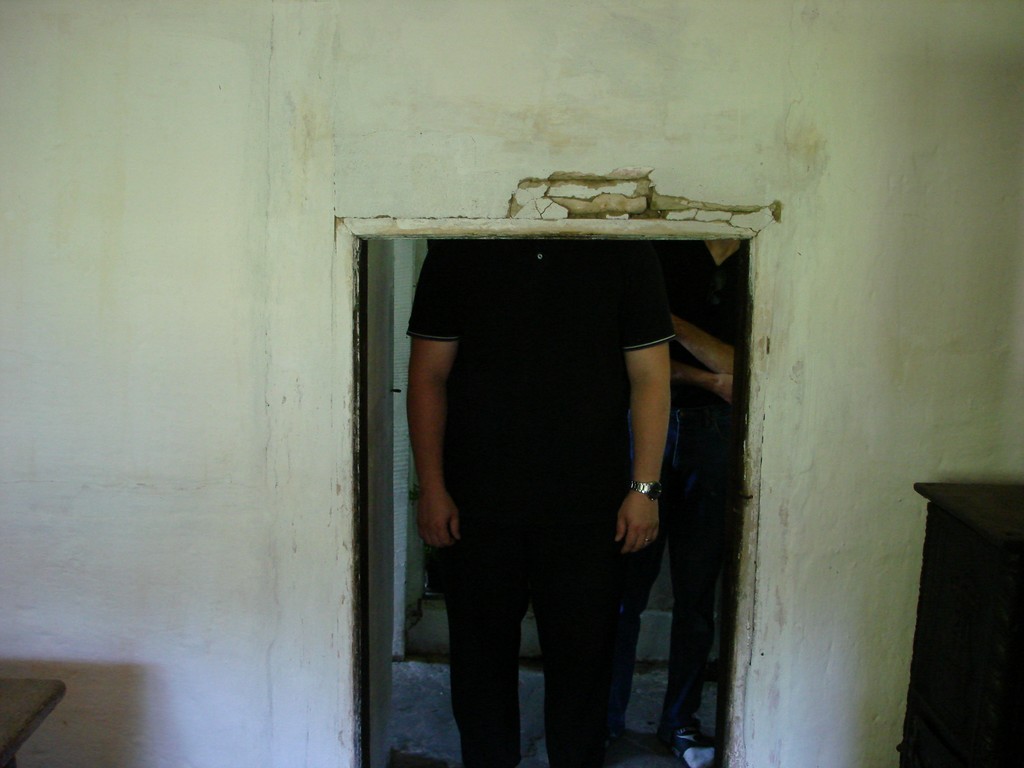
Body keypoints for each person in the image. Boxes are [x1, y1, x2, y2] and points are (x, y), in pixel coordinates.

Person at [406, 238, 674, 768]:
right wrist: (432, 487)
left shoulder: (624, 250)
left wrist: (644, 488)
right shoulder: (460, 248)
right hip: (476, 501)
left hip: (589, 504)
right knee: (479, 666)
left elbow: (650, 377)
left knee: (584, 667)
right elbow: (427, 376)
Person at [606, 238, 744, 768]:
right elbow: (627, 359)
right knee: (624, 590)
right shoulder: (661, 248)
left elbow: (743, 367)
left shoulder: (758, 253)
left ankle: (680, 722)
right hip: (647, 431)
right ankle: (606, 719)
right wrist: (708, 376)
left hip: (718, 435)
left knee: (697, 596)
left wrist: (669, 325)